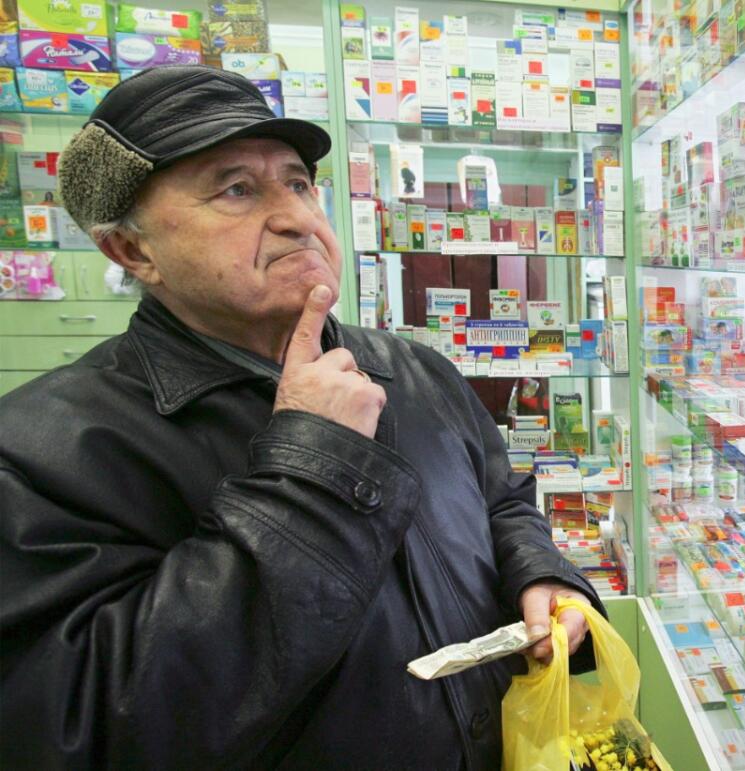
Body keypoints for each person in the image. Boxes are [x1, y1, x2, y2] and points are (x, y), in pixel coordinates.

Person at [0, 66, 603, 770]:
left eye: (297, 183)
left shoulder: (415, 369)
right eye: (236, 189)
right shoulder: (41, 451)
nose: (297, 217)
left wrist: (541, 574)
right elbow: (84, 725)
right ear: (133, 250)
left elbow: (503, 501)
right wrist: (316, 464)